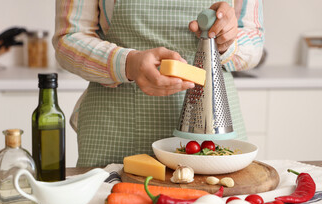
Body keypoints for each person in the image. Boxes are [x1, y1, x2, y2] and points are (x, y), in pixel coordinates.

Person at [53, 0, 264, 167]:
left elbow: (255, 43)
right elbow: (68, 39)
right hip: (116, 125)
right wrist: (128, 64)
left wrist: (227, 40)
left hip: (214, 122)